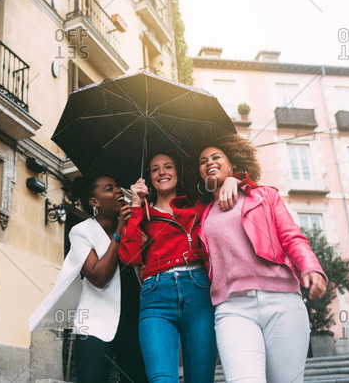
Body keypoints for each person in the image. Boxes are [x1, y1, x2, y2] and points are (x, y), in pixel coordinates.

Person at [195, 133, 327, 383]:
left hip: (283, 301)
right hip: (232, 308)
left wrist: (310, 267)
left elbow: (291, 237)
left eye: (215, 157)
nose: (209, 162)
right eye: (203, 161)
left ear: (231, 164)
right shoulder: (202, 214)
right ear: (201, 174)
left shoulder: (265, 196)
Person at [119, 151, 248, 383]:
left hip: (199, 292)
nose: (162, 172)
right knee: (161, 380)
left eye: (168, 167)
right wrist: (137, 204)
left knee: (200, 379)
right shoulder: (143, 214)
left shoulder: (197, 206)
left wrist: (233, 179)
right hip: (155, 295)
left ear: (178, 172)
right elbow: (129, 257)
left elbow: (241, 189)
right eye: (155, 169)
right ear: (148, 178)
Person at [28, 175, 148, 383]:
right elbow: (98, 276)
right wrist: (118, 235)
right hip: (94, 325)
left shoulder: (133, 229)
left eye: (118, 187)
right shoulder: (81, 231)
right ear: (94, 202)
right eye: (110, 189)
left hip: (133, 322)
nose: (119, 192)